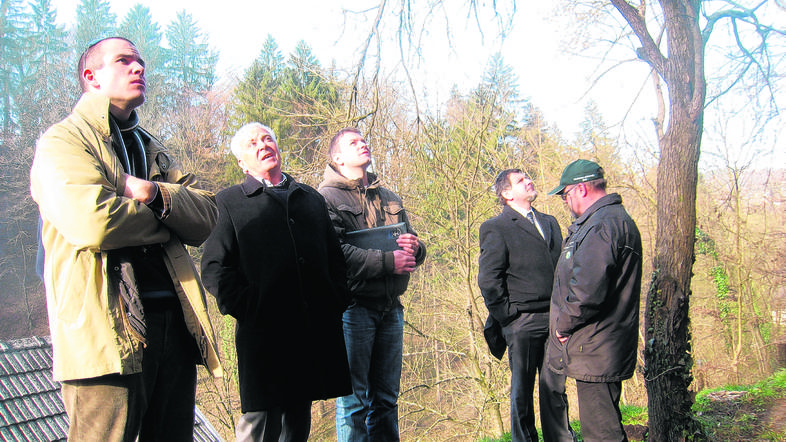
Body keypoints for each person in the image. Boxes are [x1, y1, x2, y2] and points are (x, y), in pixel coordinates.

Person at [29, 37, 222, 442]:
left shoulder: (153, 148)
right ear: (91, 76)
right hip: (105, 336)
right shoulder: (62, 142)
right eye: (124, 60)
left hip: (175, 323)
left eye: (141, 62)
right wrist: (169, 219)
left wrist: (153, 193)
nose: (139, 68)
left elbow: (208, 217)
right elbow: (94, 222)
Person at [200, 122, 352, 441]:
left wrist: (337, 300)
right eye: (252, 143)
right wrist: (250, 308)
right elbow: (214, 268)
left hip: (312, 332)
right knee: (261, 421)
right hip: (263, 335)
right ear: (241, 162)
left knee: (298, 420)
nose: (263, 145)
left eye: (267, 139)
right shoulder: (228, 202)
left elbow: (335, 258)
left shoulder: (309, 198)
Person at [318, 128, 426, 441]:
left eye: (363, 140)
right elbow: (336, 254)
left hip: (392, 309)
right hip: (354, 309)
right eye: (353, 142)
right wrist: (389, 261)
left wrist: (415, 249)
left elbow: (414, 244)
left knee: (387, 400)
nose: (363, 144)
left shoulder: (390, 197)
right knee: (354, 402)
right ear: (337, 157)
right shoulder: (325, 198)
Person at [546, 159, 642, 442]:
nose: (565, 201)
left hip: (598, 347)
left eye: (565, 195)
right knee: (603, 426)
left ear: (581, 189)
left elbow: (587, 290)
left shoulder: (602, 226)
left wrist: (563, 326)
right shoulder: (606, 221)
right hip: (600, 346)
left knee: (602, 434)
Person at [477, 169, 574, 442]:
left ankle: (560, 438)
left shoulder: (550, 222)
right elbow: (488, 279)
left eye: (528, 177)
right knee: (522, 390)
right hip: (522, 320)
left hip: (555, 318)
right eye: (521, 180)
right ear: (506, 194)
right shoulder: (496, 227)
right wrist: (510, 318)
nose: (529, 181)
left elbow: (563, 270)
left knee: (554, 386)